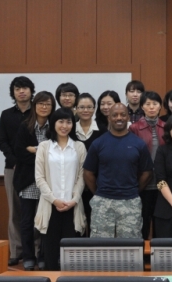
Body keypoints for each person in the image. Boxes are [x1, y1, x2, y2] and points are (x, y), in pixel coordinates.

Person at [84, 103, 153, 238]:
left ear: (128, 117)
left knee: (130, 246)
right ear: (109, 118)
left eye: (123, 114)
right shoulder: (98, 143)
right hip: (103, 202)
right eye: (115, 115)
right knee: (100, 246)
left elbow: (147, 173)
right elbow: (88, 173)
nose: (119, 118)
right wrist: (99, 193)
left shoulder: (138, 144)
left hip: (130, 201)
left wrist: (133, 190)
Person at [34, 108, 87, 271]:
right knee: (50, 253)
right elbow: (39, 178)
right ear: (53, 123)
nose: (65, 126)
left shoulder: (79, 147)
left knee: (72, 255)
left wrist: (74, 200)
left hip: (72, 206)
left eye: (68, 122)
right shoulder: (44, 147)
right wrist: (54, 200)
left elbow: (82, 177)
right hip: (50, 206)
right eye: (61, 121)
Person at [13, 91, 56, 270]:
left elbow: (55, 153)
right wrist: (41, 156)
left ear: (52, 106)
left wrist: (34, 150)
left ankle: (43, 256)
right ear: (34, 105)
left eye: (48, 104)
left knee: (47, 221)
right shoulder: (25, 126)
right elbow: (19, 152)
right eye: (40, 103)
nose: (44, 107)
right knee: (27, 221)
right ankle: (28, 256)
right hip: (28, 181)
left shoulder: (55, 127)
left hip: (49, 181)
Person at [0, 75, 35, 266]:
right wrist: (14, 161)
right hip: (12, 168)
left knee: (35, 210)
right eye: (17, 89)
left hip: (34, 168)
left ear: (31, 91)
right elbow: (3, 142)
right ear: (13, 92)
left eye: (25, 88)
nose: (21, 91)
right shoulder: (6, 115)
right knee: (14, 211)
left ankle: (35, 249)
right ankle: (16, 250)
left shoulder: (37, 112)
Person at [130, 91, 166, 239]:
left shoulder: (167, 127)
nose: (151, 107)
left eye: (155, 104)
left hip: (163, 183)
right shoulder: (134, 128)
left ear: (160, 106)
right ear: (142, 107)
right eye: (148, 104)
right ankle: (143, 250)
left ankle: (159, 250)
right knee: (143, 220)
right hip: (143, 182)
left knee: (160, 221)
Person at [74, 93, 103, 232]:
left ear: (94, 109)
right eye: (81, 107)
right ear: (75, 109)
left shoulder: (103, 130)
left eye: (89, 107)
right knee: (76, 222)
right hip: (74, 182)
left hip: (96, 183)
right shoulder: (69, 129)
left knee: (94, 221)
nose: (85, 110)